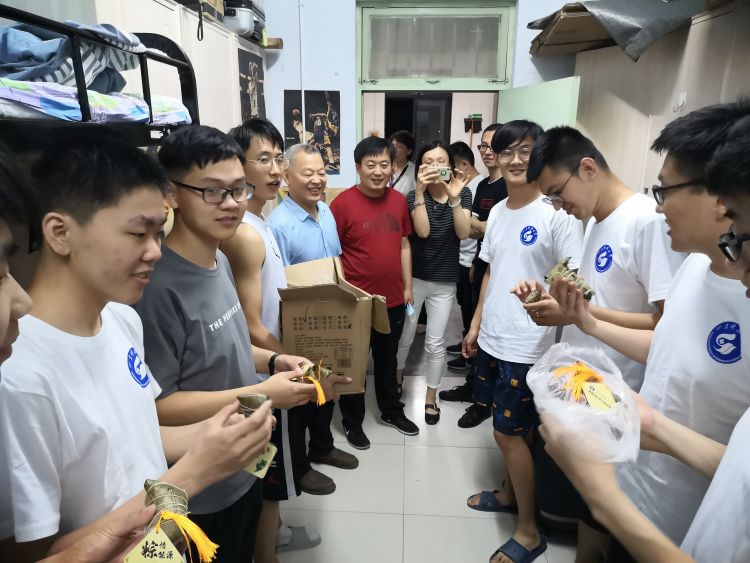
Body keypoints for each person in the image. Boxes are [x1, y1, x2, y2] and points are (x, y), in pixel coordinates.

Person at [0, 136, 275, 563]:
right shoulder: (19, 377)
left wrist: (215, 436)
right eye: (138, 233)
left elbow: (138, 434)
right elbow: (31, 553)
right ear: (60, 232)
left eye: (157, 233)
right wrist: (192, 474)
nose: (155, 251)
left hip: (161, 544)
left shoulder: (122, 319)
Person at [538, 101, 750, 557]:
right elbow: (664, 345)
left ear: (720, 196)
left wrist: (602, 497)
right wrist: (587, 322)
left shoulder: (736, 292)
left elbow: (740, 471)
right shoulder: (695, 265)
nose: (659, 207)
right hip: (637, 484)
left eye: (665, 191)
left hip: (684, 523)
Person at [133, 126, 343, 562]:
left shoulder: (219, 259)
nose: (231, 204)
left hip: (244, 459)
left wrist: (277, 360)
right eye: (212, 192)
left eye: (237, 190)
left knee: (249, 540)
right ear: (171, 193)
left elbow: (225, 345)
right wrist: (263, 394)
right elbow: (159, 407)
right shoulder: (156, 288)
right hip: (199, 489)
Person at [518, 126, 684, 561]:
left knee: (607, 514)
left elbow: (666, 324)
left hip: (622, 395)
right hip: (586, 386)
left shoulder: (646, 221)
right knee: (589, 510)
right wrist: (561, 305)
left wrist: (583, 316)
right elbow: (598, 303)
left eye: (557, 193)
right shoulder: (595, 221)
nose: (560, 206)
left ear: (587, 168)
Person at [462, 121, 583, 563]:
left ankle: (529, 532)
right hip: (494, 337)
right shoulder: (497, 212)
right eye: (505, 151)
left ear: (539, 156)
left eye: (525, 151)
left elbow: (575, 284)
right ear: (493, 157)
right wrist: (476, 324)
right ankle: (509, 495)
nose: (515, 160)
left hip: (529, 346)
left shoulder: (554, 214)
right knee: (512, 430)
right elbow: (492, 271)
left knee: (507, 433)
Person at [223, 118, 321, 562]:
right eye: (263, 159)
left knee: (269, 471)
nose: (275, 169)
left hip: (272, 366)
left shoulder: (260, 222)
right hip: (262, 374)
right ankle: (267, 553)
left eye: (278, 158)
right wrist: (290, 360)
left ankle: (273, 536)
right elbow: (250, 323)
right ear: (237, 165)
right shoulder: (244, 233)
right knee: (268, 475)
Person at [269, 145, 363, 460]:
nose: (317, 180)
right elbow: (279, 284)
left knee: (328, 387)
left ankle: (323, 447)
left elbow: (336, 261)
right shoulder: (279, 224)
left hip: (331, 317)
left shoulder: (325, 210)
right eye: (307, 173)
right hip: (301, 323)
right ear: (286, 176)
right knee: (301, 395)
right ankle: (300, 465)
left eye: (321, 172)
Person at [329, 136, 420, 439]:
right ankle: (352, 421)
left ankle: (391, 411)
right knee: (353, 363)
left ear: (392, 166)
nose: (378, 171)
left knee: (387, 359)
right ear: (358, 167)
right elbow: (333, 254)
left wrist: (407, 287)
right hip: (355, 302)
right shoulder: (342, 204)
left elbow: (404, 244)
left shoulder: (398, 201)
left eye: (384, 164)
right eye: (371, 165)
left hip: (391, 300)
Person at [396, 140, 472, 425]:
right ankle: (398, 378)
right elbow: (423, 231)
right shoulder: (411, 197)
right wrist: (419, 191)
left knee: (435, 342)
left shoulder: (463, 193)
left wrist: (454, 198)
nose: (434, 167)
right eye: (428, 162)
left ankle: (431, 396)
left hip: (445, 283)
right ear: (420, 168)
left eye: (440, 161)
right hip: (414, 281)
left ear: (450, 166)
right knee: (405, 336)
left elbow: (463, 233)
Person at [441, 123, 506, 431]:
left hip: (502, 273)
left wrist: (478, 226)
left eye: (494, 146)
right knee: (472, 324)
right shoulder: (483, 186)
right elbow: (473, 231)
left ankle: (485, 398)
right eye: (483, 145)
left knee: (489, 330)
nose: (487, 151)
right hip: (481, 263)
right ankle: (474, 386)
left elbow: (483, 228)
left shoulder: (509, 187)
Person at [446, 141, 483, 375]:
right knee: (464, 307)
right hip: (462, 258)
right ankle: (464, 345)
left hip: (471, 259)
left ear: (463, 166)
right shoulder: (472, 185)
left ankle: (470, 357)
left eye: (451, 167)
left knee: (471, 309)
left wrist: (473, 262)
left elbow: (475, 229)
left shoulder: (476, 187)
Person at [389, 130, 416, 195]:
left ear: (409, 151)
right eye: (392, 146)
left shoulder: (414, 171)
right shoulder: (385, 167)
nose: (394, 149)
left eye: (399, 147)